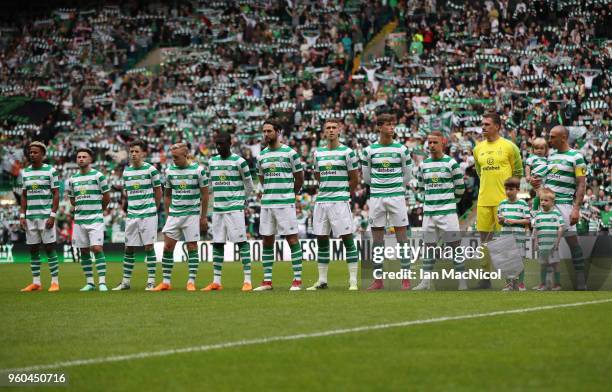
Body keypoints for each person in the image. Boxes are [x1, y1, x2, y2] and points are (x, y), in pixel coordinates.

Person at [361, 111, 412, 290]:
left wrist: (395, 187)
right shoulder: (368, 151)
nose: (392, 128)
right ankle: (378, 280)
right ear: (380, 127)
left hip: (397, 196)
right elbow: (367, 178)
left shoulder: (402, 149)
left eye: (393, 124)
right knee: (377, 239)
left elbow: (408, 175)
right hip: (376, 197)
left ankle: (406, 278)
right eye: (388, 124)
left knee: (402, 238)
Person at [307, 118, 360, 291]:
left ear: (339, 131)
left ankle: (353, 281)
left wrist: (343, 193)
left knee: (347, 239)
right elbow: (317, 175)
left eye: (333, 128)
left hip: (339, 201)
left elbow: (355, 179)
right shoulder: (318, 153)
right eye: (328, 128)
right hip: (322, 201)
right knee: (321, 239)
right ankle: (322, 280)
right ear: (324, 131)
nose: (330, 130)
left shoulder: (347, 152)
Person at [532, 125, 587, 290]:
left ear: (563, 138)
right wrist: (536, 185)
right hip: (547, 204)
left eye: (552, 137)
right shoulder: (550, 157)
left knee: (572, 242)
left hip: (564, 205)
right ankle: (548, 282)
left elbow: (582, 184)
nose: (549, 140)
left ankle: (580, 278)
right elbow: (544, 181)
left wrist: (576, 208)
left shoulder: (577, 157)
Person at [473, 112, 523, 289]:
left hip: (504, 202)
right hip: (483, 201)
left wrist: (512, 198)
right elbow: (480, 173)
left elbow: (518, 173)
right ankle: (485, 277)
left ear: (497, 126)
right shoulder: (477, 149)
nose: (483, 127)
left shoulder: (510, 147)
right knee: (484, 241)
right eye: (482, 124)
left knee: (506, 241)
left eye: (487, 124)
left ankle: (511, 279)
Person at [253, 119, 304, 291]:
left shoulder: (291, 153)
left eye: (269, 131)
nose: (266, 134)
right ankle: (267, 281)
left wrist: (290, 194)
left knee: (292, 239)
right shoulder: (261, 156)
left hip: (285, 203)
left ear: (278, 132)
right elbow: (262, 179)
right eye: (264, 131)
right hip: (267, 204)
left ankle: (297, 280)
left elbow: (299, 178)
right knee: (267, 240)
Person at [413, 131, 467, 291]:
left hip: (448, 212)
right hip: (429, 213)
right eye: (429, 143)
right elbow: (422, 189)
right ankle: (425, 282)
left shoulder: (451, 164)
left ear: (442, 142)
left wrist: (450, 203)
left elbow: (460, 188)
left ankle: (462, 282)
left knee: (455, 246)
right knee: (428, 247)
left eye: (434, 142)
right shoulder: (423, 165)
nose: (431, 145)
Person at [202, 131, 254, 292]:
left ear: (230, 144)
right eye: (217, 144)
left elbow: (249, 185)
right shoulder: (212, 162)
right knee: (217, 243)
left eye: (222, 144)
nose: (219, 147)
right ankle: (216, 281)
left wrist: (240, 201)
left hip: (234, 209)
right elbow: (210, 185)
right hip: (218, 209)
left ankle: (247, 280)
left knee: (241, 243)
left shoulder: (240, 162)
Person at [154, 143, 209, 291]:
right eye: (172, 157)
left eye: (176, 158)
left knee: (192, 247)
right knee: (167, 247)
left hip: (191, 214)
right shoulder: (170, 171)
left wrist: (203, 217)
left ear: (186, 156)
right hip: (175, 215)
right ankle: (166, 282)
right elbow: (167, 196)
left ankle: (191, 281)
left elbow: (205, 194)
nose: (174, 160)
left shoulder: (198, 171)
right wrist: (167, 215)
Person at [112, 140, 162, 291]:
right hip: (132, 214)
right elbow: (127, 192)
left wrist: (154, 208)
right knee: (129, 248)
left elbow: (158, 191)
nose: (133, 154)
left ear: (143, 154)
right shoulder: (127, 172)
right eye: (131, 151)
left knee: (148, 247)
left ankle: (151, 281)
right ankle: (126, 282)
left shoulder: (151, 170)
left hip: (148, 214)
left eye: (136, 151)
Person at [19, 141, 61, 292]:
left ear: (43, 154)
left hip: (45, 216)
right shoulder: (25, 172)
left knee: (49, 248)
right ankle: (36, 282)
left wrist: (52, 215)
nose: (32, 154)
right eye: (30, 152)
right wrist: (22, 215)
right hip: (30, 217)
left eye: (35, 152)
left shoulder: (51, 171)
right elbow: (24, 195)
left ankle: (55, 282)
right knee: (33, 249)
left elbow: (56, 193)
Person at [67, 148, 110, 292]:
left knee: (97, 248)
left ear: (90, 159)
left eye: (84, 156)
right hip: (79, 220)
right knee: (83, 251)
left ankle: (102, 282)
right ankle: (90, 283)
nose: (81, 159)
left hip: (95, 218)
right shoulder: (72, 179)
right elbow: (72, 200)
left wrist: (99, 209)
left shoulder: (99, 176)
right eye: (79, 156)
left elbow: (106, 197)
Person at [497, 177, 530, 291]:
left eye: (511, 189)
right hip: (505, 235)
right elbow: (499, 220)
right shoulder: (502, 204)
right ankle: (509, 284)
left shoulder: (523, 204)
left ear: (517, 190)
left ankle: (520, 283)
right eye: (506, 189)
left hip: (519, 235)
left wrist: (514, 221)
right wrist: (501, 220)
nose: (508, 192)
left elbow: (528, 220)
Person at [533, 188, 564, 291]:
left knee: (555, 264)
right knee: (543, 265)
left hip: (552, 245)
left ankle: (557, 284)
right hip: (542, 245)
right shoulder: (538, 215)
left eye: (546, 200)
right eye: (541, 200)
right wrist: (536, 242)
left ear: (552, 202)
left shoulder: (556, 214)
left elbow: (560, 227)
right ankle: (543, 284)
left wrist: (557, 241)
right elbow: (536, 230)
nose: (542, 202)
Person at [524, 137, 549, 211]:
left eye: (542, 148)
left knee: (542, 194)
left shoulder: (545, 159)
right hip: (536, 178)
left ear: (546, 150)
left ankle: (538, 208)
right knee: (539, 193)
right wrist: (528, 176)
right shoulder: (532, 158)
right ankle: (535, 209)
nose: (539, 150)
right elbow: (527, 167)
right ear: (533, 149)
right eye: (537, 148)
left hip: (543, 179)